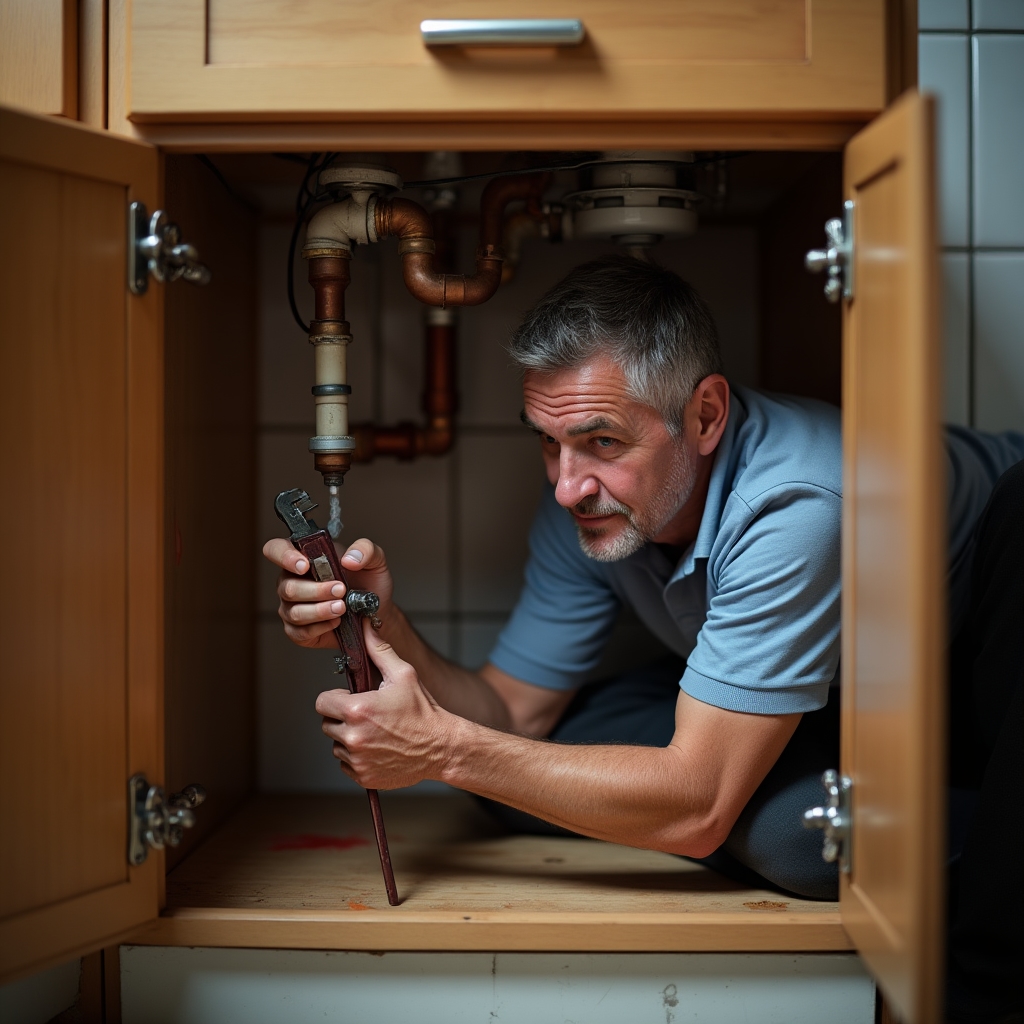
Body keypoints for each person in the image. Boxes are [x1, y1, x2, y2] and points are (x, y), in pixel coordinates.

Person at [264, 255, 1022, 1017]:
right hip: (839, 691)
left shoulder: (796, 503)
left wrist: (449, 752)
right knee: (534, 765)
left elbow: (695, 812)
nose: (566, 485)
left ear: (705, 418)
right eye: (548, 441)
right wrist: (384, 626)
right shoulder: (586, 504)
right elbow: (513, 712)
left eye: (602, 442)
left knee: (794, 835)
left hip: (976, 659)